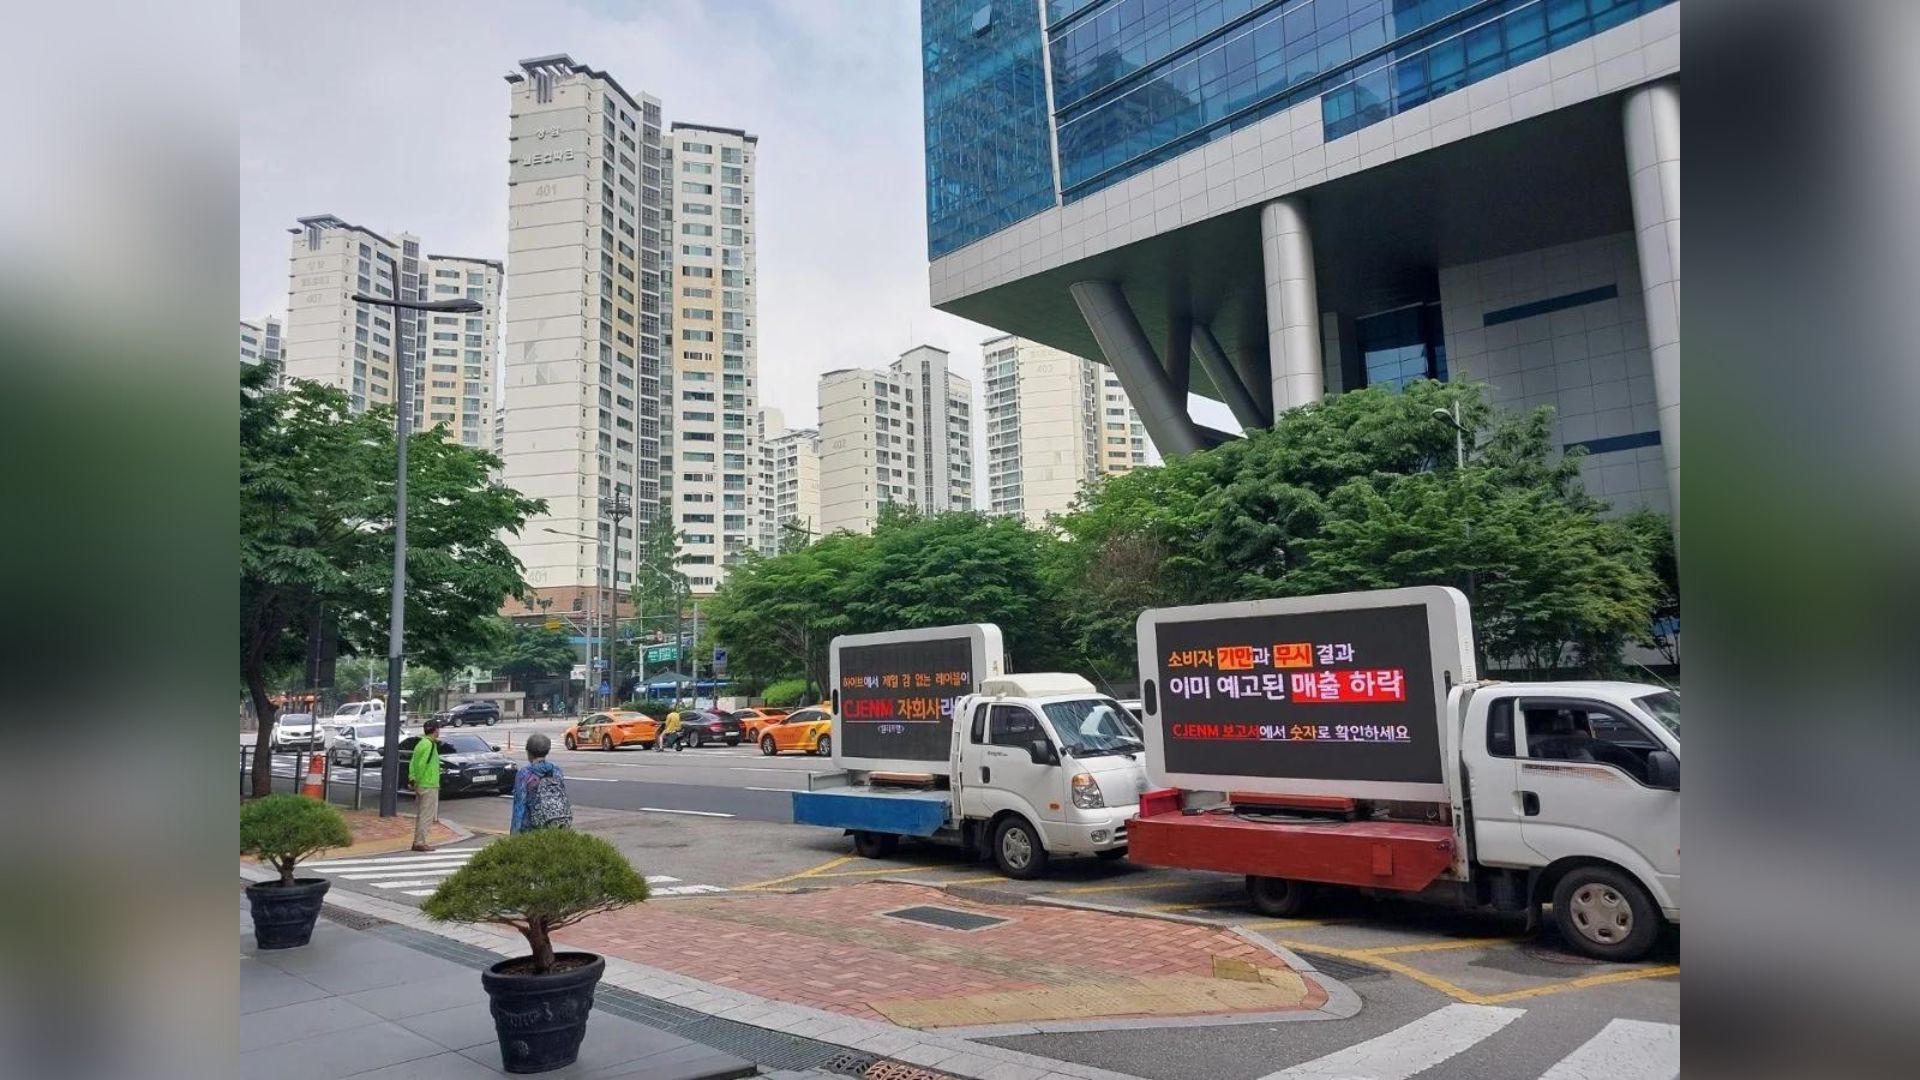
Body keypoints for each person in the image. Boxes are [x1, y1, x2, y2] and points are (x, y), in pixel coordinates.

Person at [511, 733, 572, 833]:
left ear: (529, 752)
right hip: (554, 823)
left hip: (531, 829)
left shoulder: (524, 774)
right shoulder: (556, 771)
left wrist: (514, 835)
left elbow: (519, 807)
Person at [408, 719, 443, 852]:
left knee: (421, 814)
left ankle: (418, 841)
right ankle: (420, 842)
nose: (439, 731)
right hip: (428, 784)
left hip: (422, 784)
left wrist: (412, 779)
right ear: (435, 730)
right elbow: (423, 765)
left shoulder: (420, 744)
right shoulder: (430, 745)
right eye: (438, 728)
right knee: (426, 816)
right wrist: (419, 780)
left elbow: (413, 763)